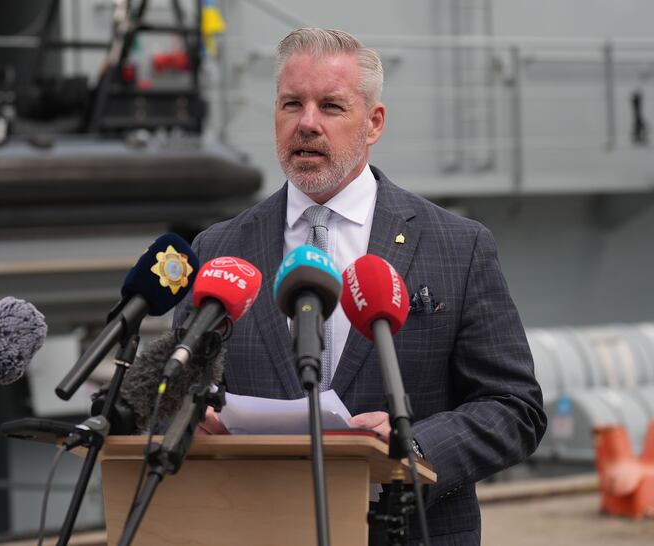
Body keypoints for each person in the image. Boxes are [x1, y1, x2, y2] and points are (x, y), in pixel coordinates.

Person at [173, 28, 546, 545]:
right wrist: (190, 416)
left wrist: (416, 445)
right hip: (254, 525)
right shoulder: (218, 249)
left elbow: (515, 408)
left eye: (330, 106)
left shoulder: (459, 246)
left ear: (373, 123)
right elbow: (182, 386)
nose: (306, 123)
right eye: (290, 104)